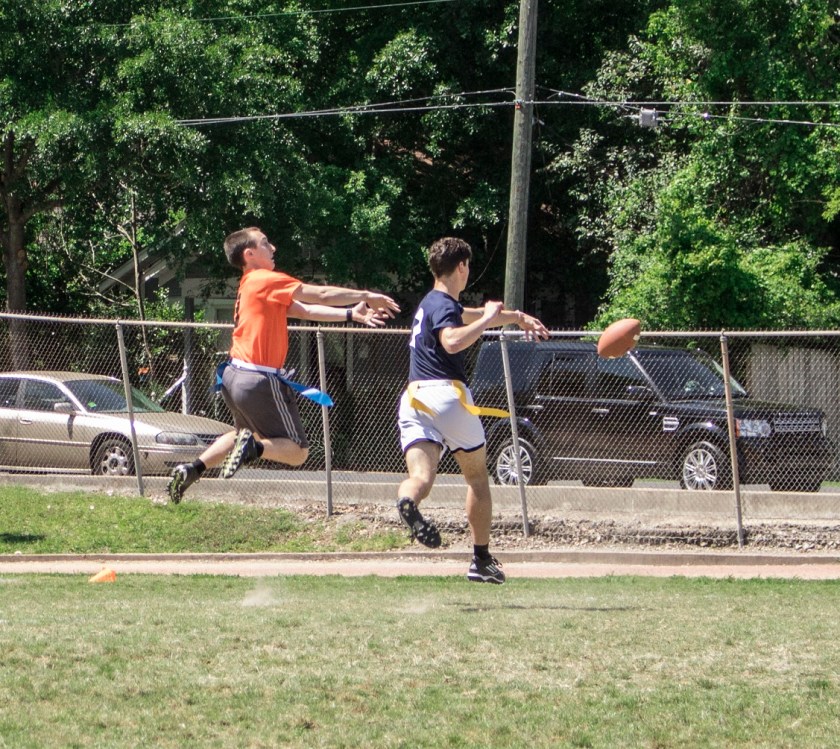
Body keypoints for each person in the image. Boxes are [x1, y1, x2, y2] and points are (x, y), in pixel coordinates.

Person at [167, 227, 400, 503]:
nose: (273, 248)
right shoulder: (265, 279)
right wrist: (365, 295)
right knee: (298, 451)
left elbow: (305, 310)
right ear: (250, 254)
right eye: (266, 243)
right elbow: (319, 294)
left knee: (241, 433)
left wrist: (351, 314)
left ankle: (193, 469)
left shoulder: (250, 285)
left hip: (233, 375)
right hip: (257, 378)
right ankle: (254, 448)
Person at [396, 237, 549, 584]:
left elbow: (474, 315)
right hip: (446, 394)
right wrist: (488, 322)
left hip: (413, 398)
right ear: (461, 267)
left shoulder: (430, 303)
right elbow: (453, 339)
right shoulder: (445, 307)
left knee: (421, 478)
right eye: (468, 268)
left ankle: (407, 502)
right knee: (478, 478)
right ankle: (480, 559)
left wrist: (515, 317)